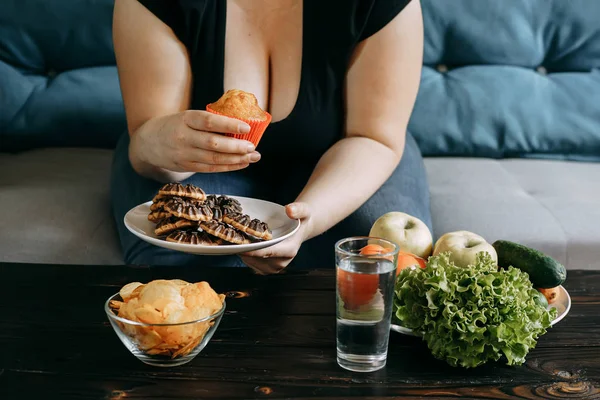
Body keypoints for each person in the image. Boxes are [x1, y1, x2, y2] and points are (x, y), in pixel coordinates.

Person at [111, 0, 432, 275]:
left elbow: (373, 137)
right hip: (201, 167)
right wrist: (163, 146)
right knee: (181, 249)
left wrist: (308, 221)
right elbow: (145, 139)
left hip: (352, 149)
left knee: (377, 254)